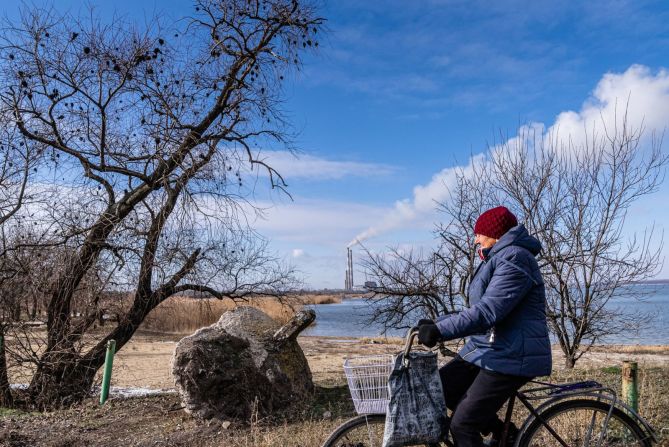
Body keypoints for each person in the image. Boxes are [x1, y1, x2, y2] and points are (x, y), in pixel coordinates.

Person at [417, 206, 552, 447]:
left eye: (480, 233)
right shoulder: (498, 257)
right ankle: (504, 433)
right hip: (488, 348)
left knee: (462, 426)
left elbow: (488, 311)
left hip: (511, 355)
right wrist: (437, 324)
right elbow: (477, 308)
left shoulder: (514, 258)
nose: (476, 238)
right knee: (442, 387)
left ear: (496, 234)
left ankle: (499, 434)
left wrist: (441, 332)